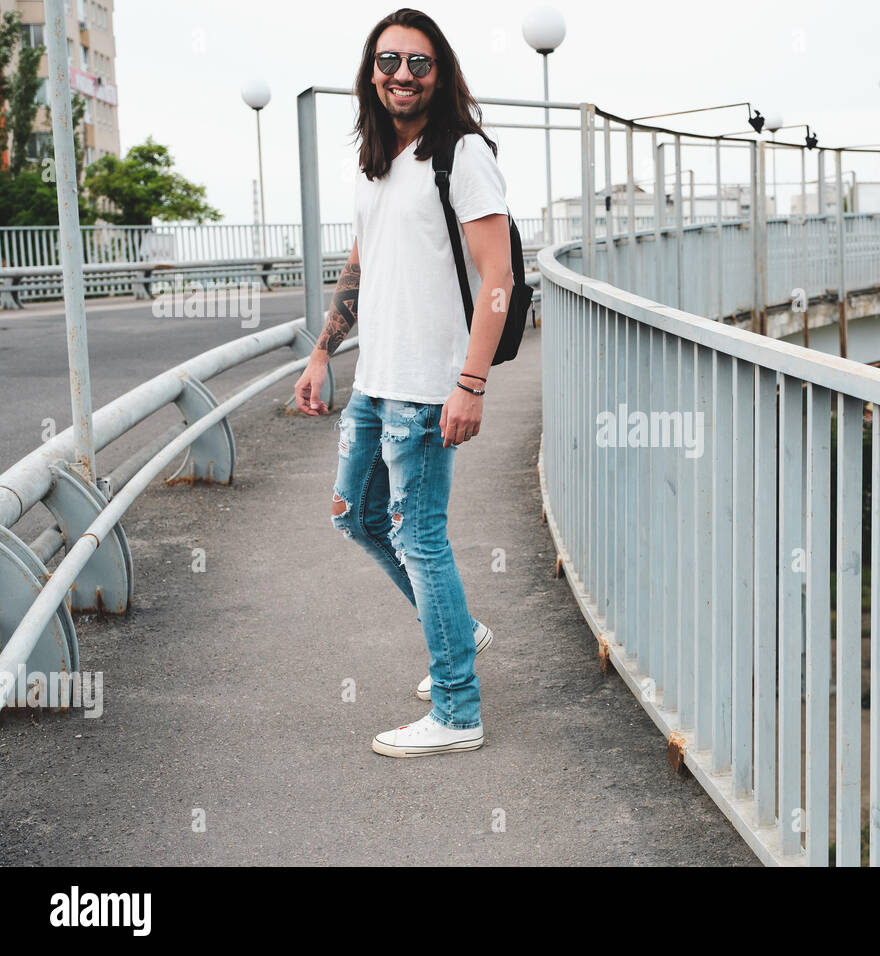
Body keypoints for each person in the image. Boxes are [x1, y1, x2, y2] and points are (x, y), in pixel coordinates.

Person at [293, 7, 513, 758]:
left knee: (419, 539)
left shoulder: (463, 153)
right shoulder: (376, 159)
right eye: (389, 62)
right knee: (354, 517)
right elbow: (364, 263)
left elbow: (498, 278)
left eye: (419, 64)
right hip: (374, 380)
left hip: (428, 385)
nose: (402, 76)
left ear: (440, 74)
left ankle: (457, 712)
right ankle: (458, 626)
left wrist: (472, 383)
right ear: (371, 72)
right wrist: (324, 348)